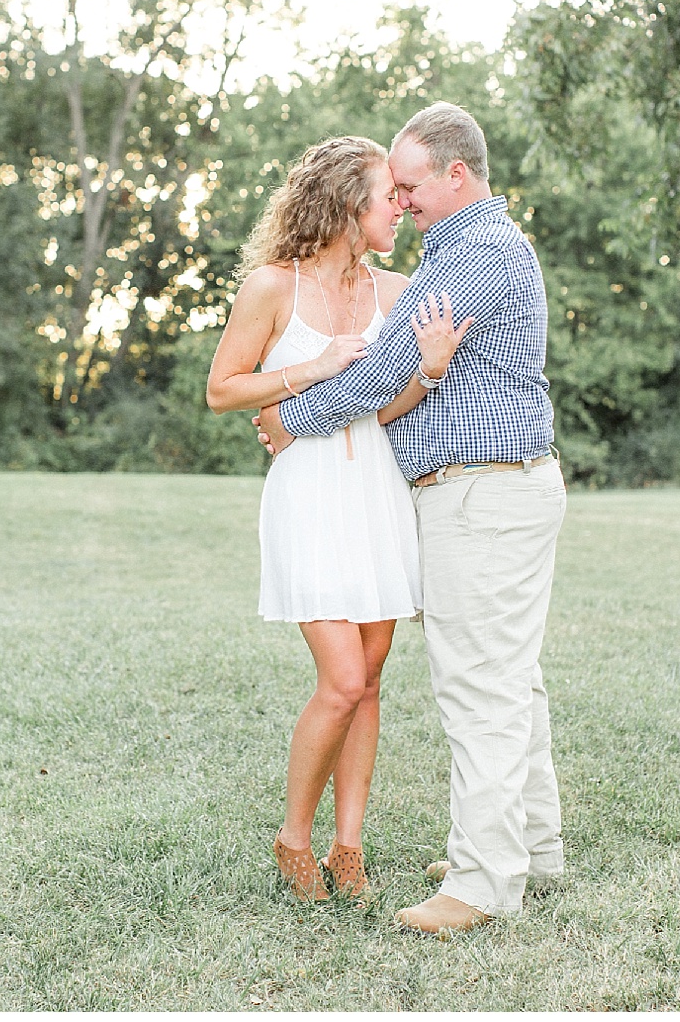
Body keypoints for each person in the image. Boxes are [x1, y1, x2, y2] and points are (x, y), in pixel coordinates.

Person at [255, 102, 565, 936]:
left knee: (481, 687)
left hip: (482, 492)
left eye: (411, 182)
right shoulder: (473, 248)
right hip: (498, 486)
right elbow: (407, 378)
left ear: (455, 175)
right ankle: (530, 844)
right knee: (512, 678)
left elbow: (380, 371)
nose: (402, 197)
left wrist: (294, 417)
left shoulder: (475, 255)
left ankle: (484, 879)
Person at [206, 135, 471, 902]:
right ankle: (294, 837)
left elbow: (386, 403)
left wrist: (429, 369)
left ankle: (348, 845)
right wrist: (312, 370)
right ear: (348, 207)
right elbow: (224, 389)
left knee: (373, 677)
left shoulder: (396, 292)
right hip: (309, 494)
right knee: (342, 676)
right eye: (388, 194)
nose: (400, 206)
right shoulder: (271, 287)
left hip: (377, 490)